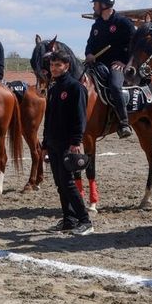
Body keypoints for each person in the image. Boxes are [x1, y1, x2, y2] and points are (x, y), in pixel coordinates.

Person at [42, 50, 92, 235]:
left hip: (67, 144)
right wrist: (44, 144)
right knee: (60, 183)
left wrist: (76, 142)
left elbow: (80, 118)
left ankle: (85, 220)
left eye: (58, 65)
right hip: (53, 143)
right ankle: (68, 220)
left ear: (67, 66)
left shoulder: (75, 88)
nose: (54, 68)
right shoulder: (54, 89)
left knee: (68, 183)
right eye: (52, 65)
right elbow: (48, 119)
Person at [85, 0, 135, 138]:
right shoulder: (96, 26)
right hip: (97, 65)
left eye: (95, 4)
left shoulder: (124, 23)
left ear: (104, 5)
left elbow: (135, 46)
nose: (93, 7)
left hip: (117, 65)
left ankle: (124, 123)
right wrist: (88, 54)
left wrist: (125, 62)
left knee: (114, 85)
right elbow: (90, 45)